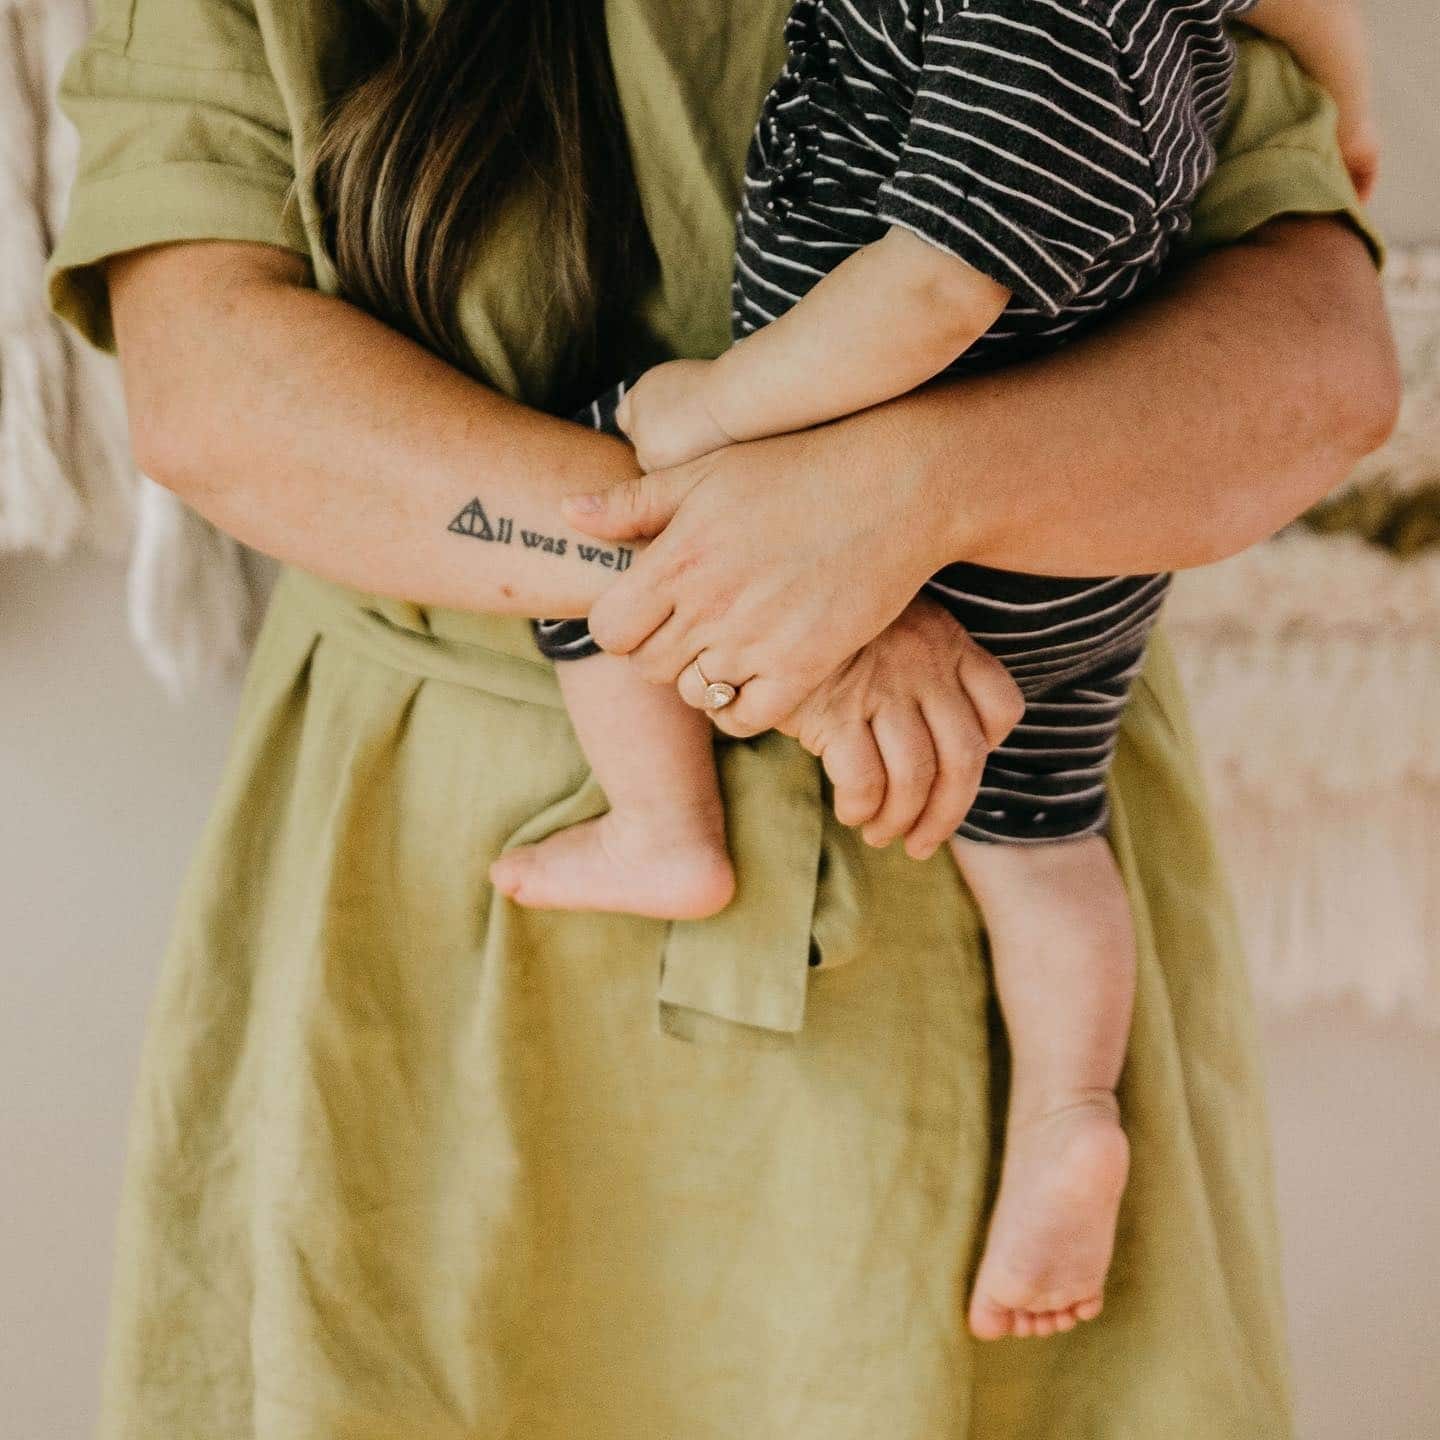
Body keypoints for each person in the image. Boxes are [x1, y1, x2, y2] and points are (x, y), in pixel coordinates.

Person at [46, 0, 1395, 1435]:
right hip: (442, 941)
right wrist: (746, 581)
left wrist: (903, 497)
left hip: (945, 900)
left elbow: (1320, 364)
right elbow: (208, 388)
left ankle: (1065, 1108)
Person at [491, 0, 1382, 1341]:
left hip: (918, 521)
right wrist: (1349, 104)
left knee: (601, 483)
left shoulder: (1038, 22)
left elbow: (937, 285)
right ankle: (1073, 1107)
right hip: (1089, 541)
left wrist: (717, 414)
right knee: (1041, 842)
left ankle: (667, 826)